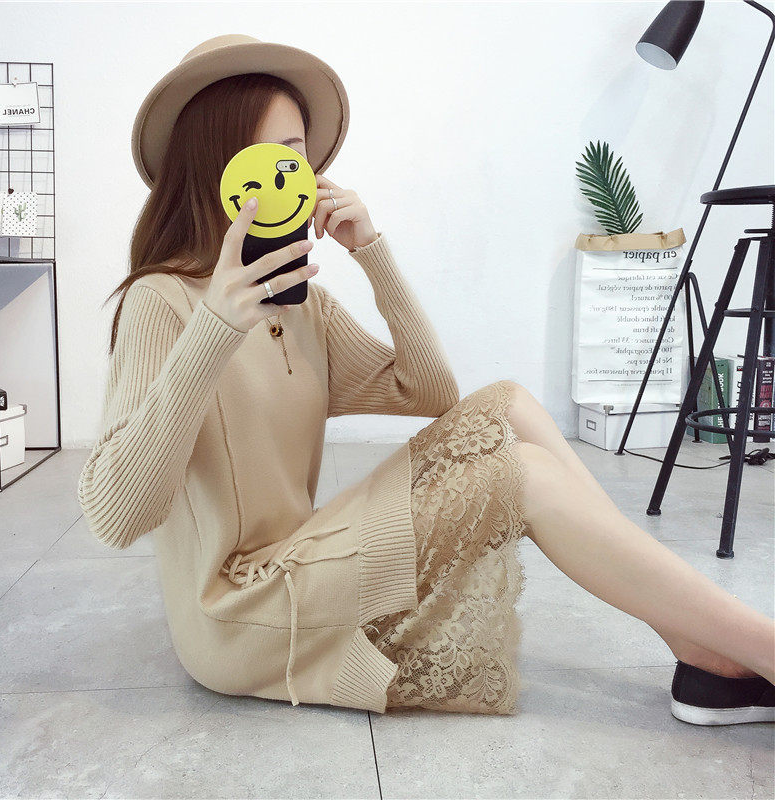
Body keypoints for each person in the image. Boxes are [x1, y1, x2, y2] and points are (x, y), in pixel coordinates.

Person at [78, 34, 774, 725]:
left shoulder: (302, 305)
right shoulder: (161, 302)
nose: (294, 181)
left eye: (299, 160)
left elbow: (429, 392)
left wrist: (372, 254)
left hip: (304, 556)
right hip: (237, 612)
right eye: (272, 161)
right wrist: (213, 331)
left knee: (511, 405)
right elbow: (118, 515)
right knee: (524, 476)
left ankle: (698, 649)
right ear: (218, 169)